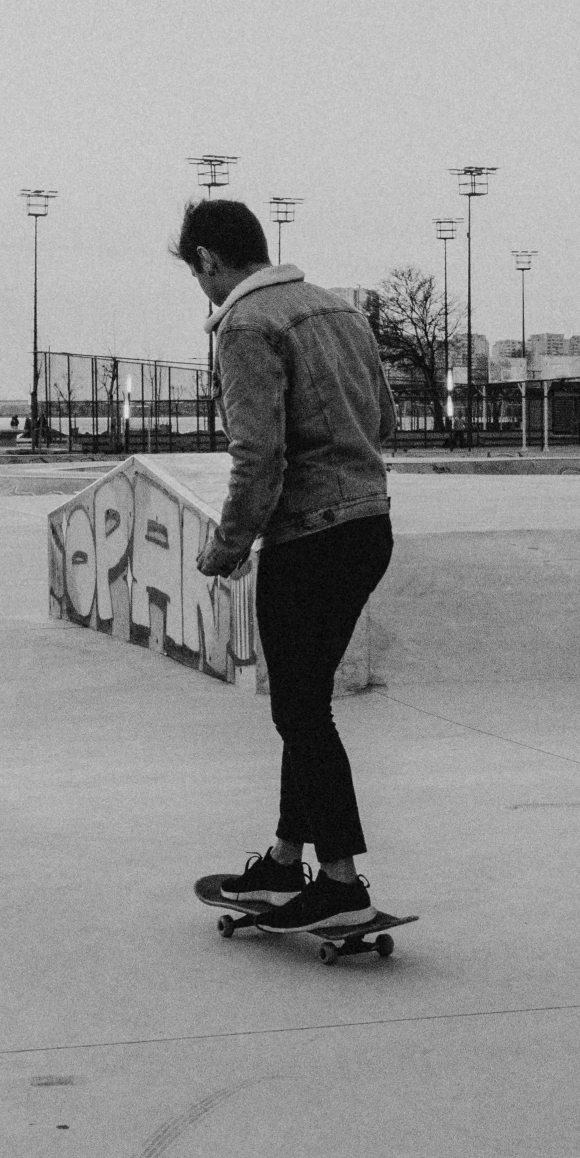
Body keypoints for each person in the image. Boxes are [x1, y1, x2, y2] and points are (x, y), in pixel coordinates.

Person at [176, 199, 398, 934]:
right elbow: (384, 423)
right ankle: (281, 863)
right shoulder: (340, 312)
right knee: (304, 704)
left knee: (299, 710)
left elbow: (258, 453)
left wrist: (229, 543)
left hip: (308, 537)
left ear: (209, 260)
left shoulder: (245, 324)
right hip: (369, 526)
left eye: (197, 274)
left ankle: (339, 880)